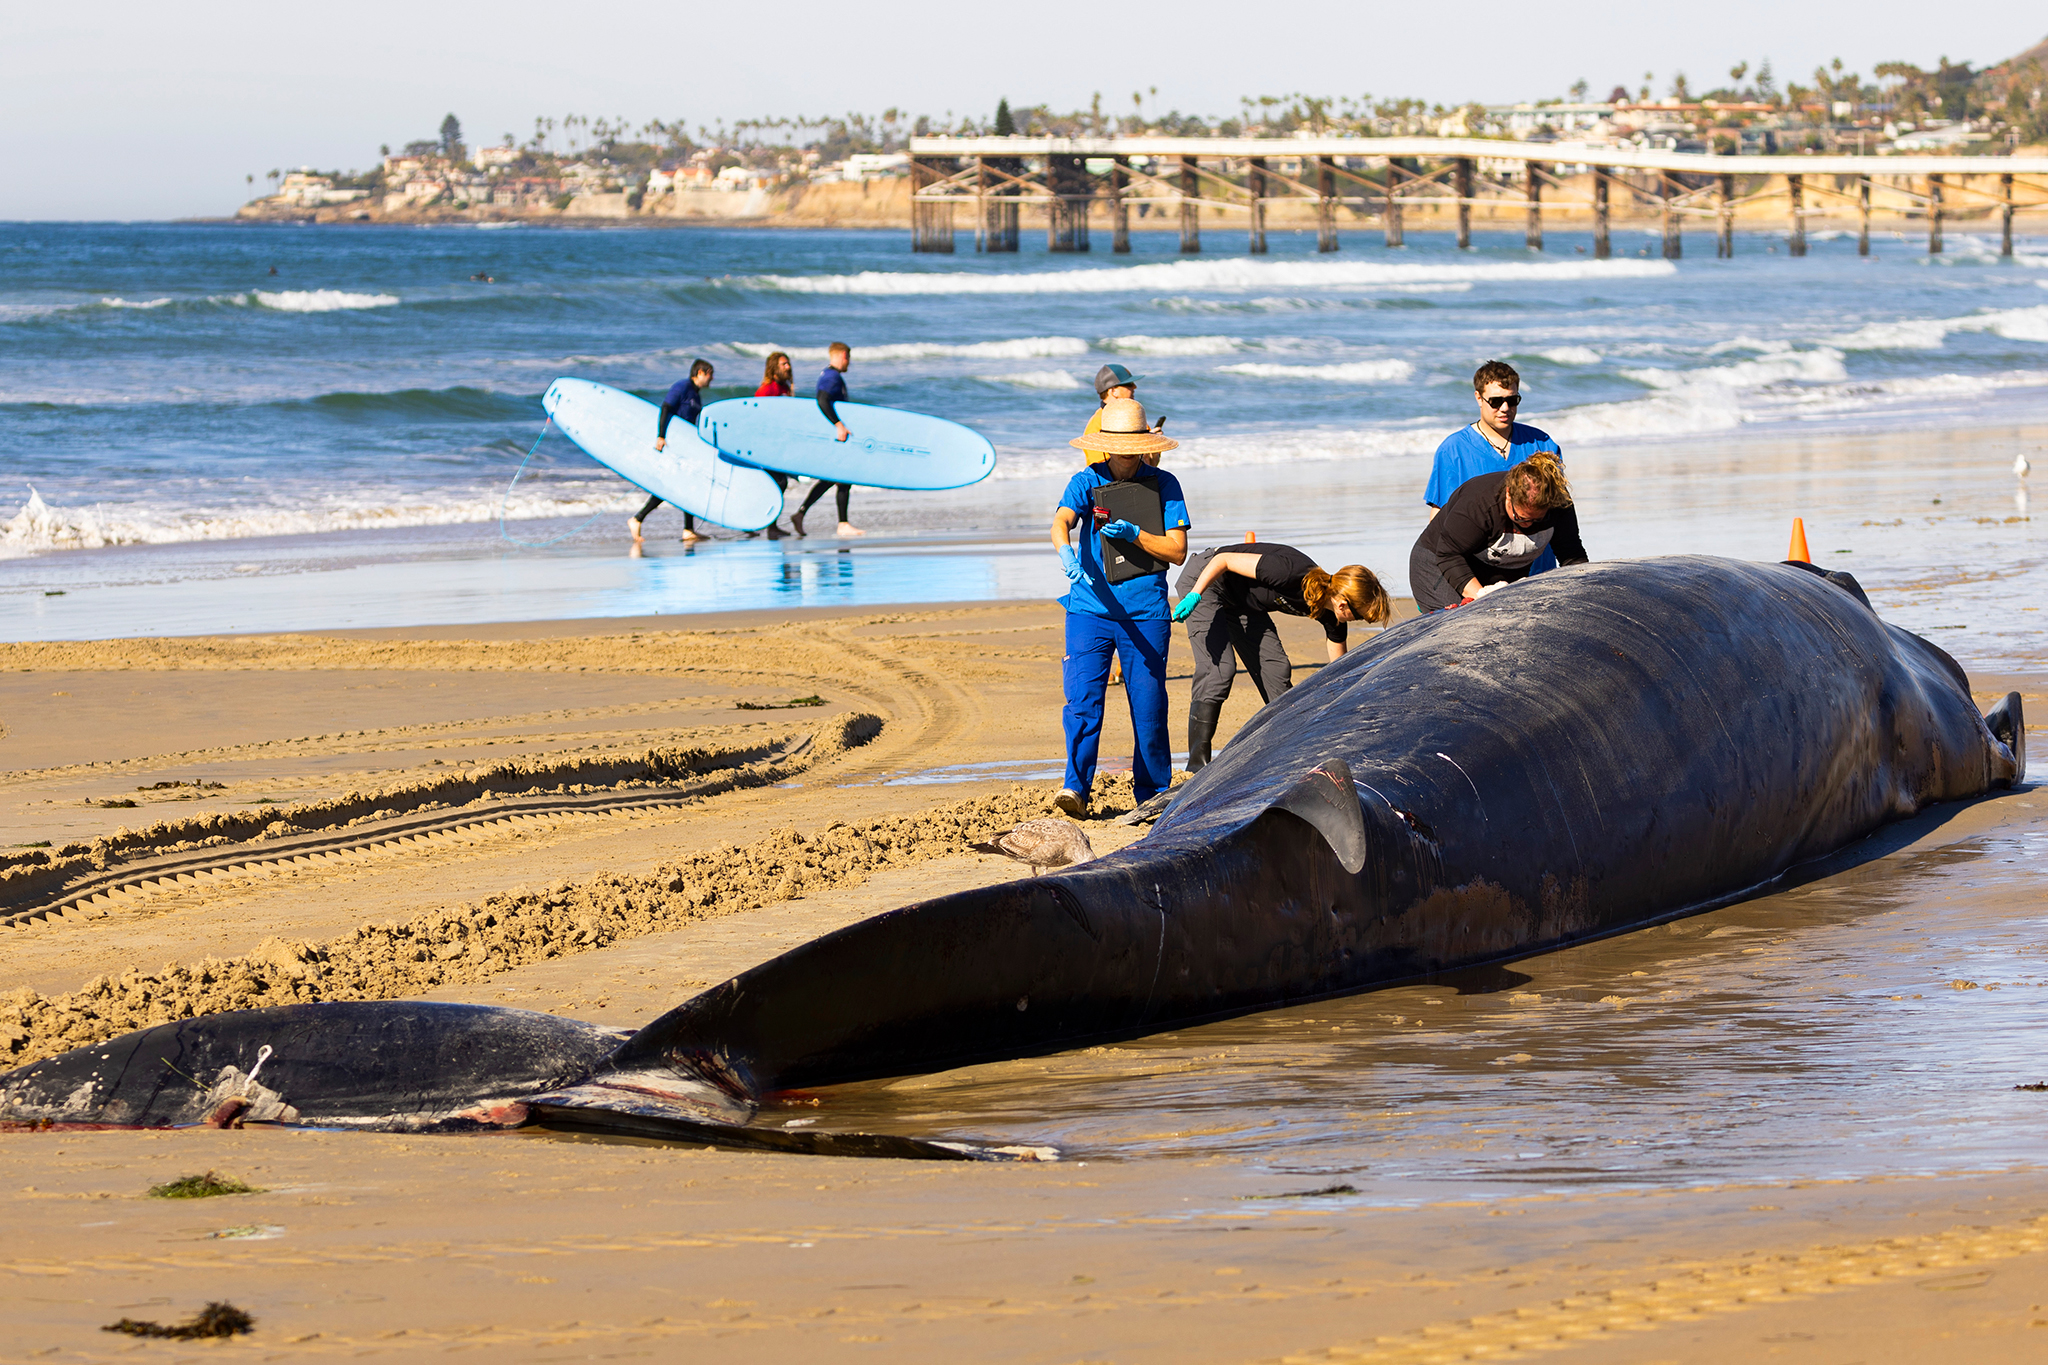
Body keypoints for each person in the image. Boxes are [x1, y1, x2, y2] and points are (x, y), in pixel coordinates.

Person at [1050, 398, 1188, 817]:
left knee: (1148, 708)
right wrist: (1064, 552)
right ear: (1106, 444)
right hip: (1088, 609)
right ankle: (1076, 788)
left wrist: (1136, 535)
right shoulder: (1085, 480)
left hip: (1146, 612)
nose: (1124, 452)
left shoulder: (1165, 485)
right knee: (1082, 701)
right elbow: (1061, 521)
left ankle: (1152, 794)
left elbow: (1178, 551)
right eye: (1117, 444)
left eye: (1132, 444)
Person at [1168, 544, 1390, 770]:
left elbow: (1340, 672)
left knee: (1276, 669)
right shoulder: (1291, 572)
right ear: (1343, 604)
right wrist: (1195, 594)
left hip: (1241, 602)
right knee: (1219, 670)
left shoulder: (1333, 616)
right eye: (1359, 616)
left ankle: (1292, 752)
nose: (1357, 621)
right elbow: (1222, 560)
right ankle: (1196, 766)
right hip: (1207, 580)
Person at [1426, 359, 1563, 573]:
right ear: (1479, 398)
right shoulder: (1454, 450)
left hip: (1538, 570)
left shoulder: (1543, 444)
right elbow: (1440, 519)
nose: (1505, 408)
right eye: (1496, 401)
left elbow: (1560, 512)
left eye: (1512, 400)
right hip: (1483, 576)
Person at [1409, 455, 1587, 613]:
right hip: (1438, 562)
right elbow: (1448, 554)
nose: (1528, 526)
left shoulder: (1559, 504)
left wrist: (1584, 589)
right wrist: (1481, 595)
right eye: (1521, 518)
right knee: (1465, 620)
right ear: (1508, 494)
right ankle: (1430, 601)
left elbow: (1571, 554)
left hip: (1497, 566)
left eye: (1538, 520)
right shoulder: (1478, 504)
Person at [635, 359, 716, 543]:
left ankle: (687, 529)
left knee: (684, 485)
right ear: (700, 372)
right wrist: (660, 435)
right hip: (672, 446)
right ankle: (638, 519)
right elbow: (666, 407)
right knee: (672, 485)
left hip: (684, 448)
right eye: (710, 373)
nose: (712, 378)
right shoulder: (682, 386)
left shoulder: (695, 394)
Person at [793, 342, 860, 538]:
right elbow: (822, 399)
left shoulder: (828, 375)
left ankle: (801, 513)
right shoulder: (832, 377)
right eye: (848, 357)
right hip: (836, 436)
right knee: (842, 479)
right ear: (841, 356)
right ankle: (842, 523)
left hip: (833, 437)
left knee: (832, 478)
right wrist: (838, 424)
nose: (849, 362)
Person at [748, 352, 795, 539]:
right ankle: (763, 524)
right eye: (784, 364)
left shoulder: (785, 388)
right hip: (767, 446)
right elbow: (756, 417)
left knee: (779, 484)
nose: (788, 367)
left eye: (788, 363)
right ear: (774, 367)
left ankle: (768, 524)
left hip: (780, 445)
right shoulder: (767, 389)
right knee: (777, 483)